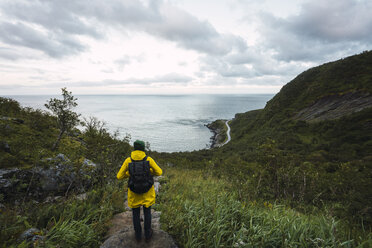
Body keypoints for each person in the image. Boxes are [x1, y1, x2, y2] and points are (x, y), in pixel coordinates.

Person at [117, 140, 162, 242]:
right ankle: (147, 235)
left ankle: (138, 236)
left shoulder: (128, 160)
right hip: (147, 192)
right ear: (143, 148)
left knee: (135, 214)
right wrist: (148, 172)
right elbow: (159, 172)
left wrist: (130, 174)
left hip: (134, 192)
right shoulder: (148, 159)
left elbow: (119, 176)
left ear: (134, 148)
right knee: (147, 213)